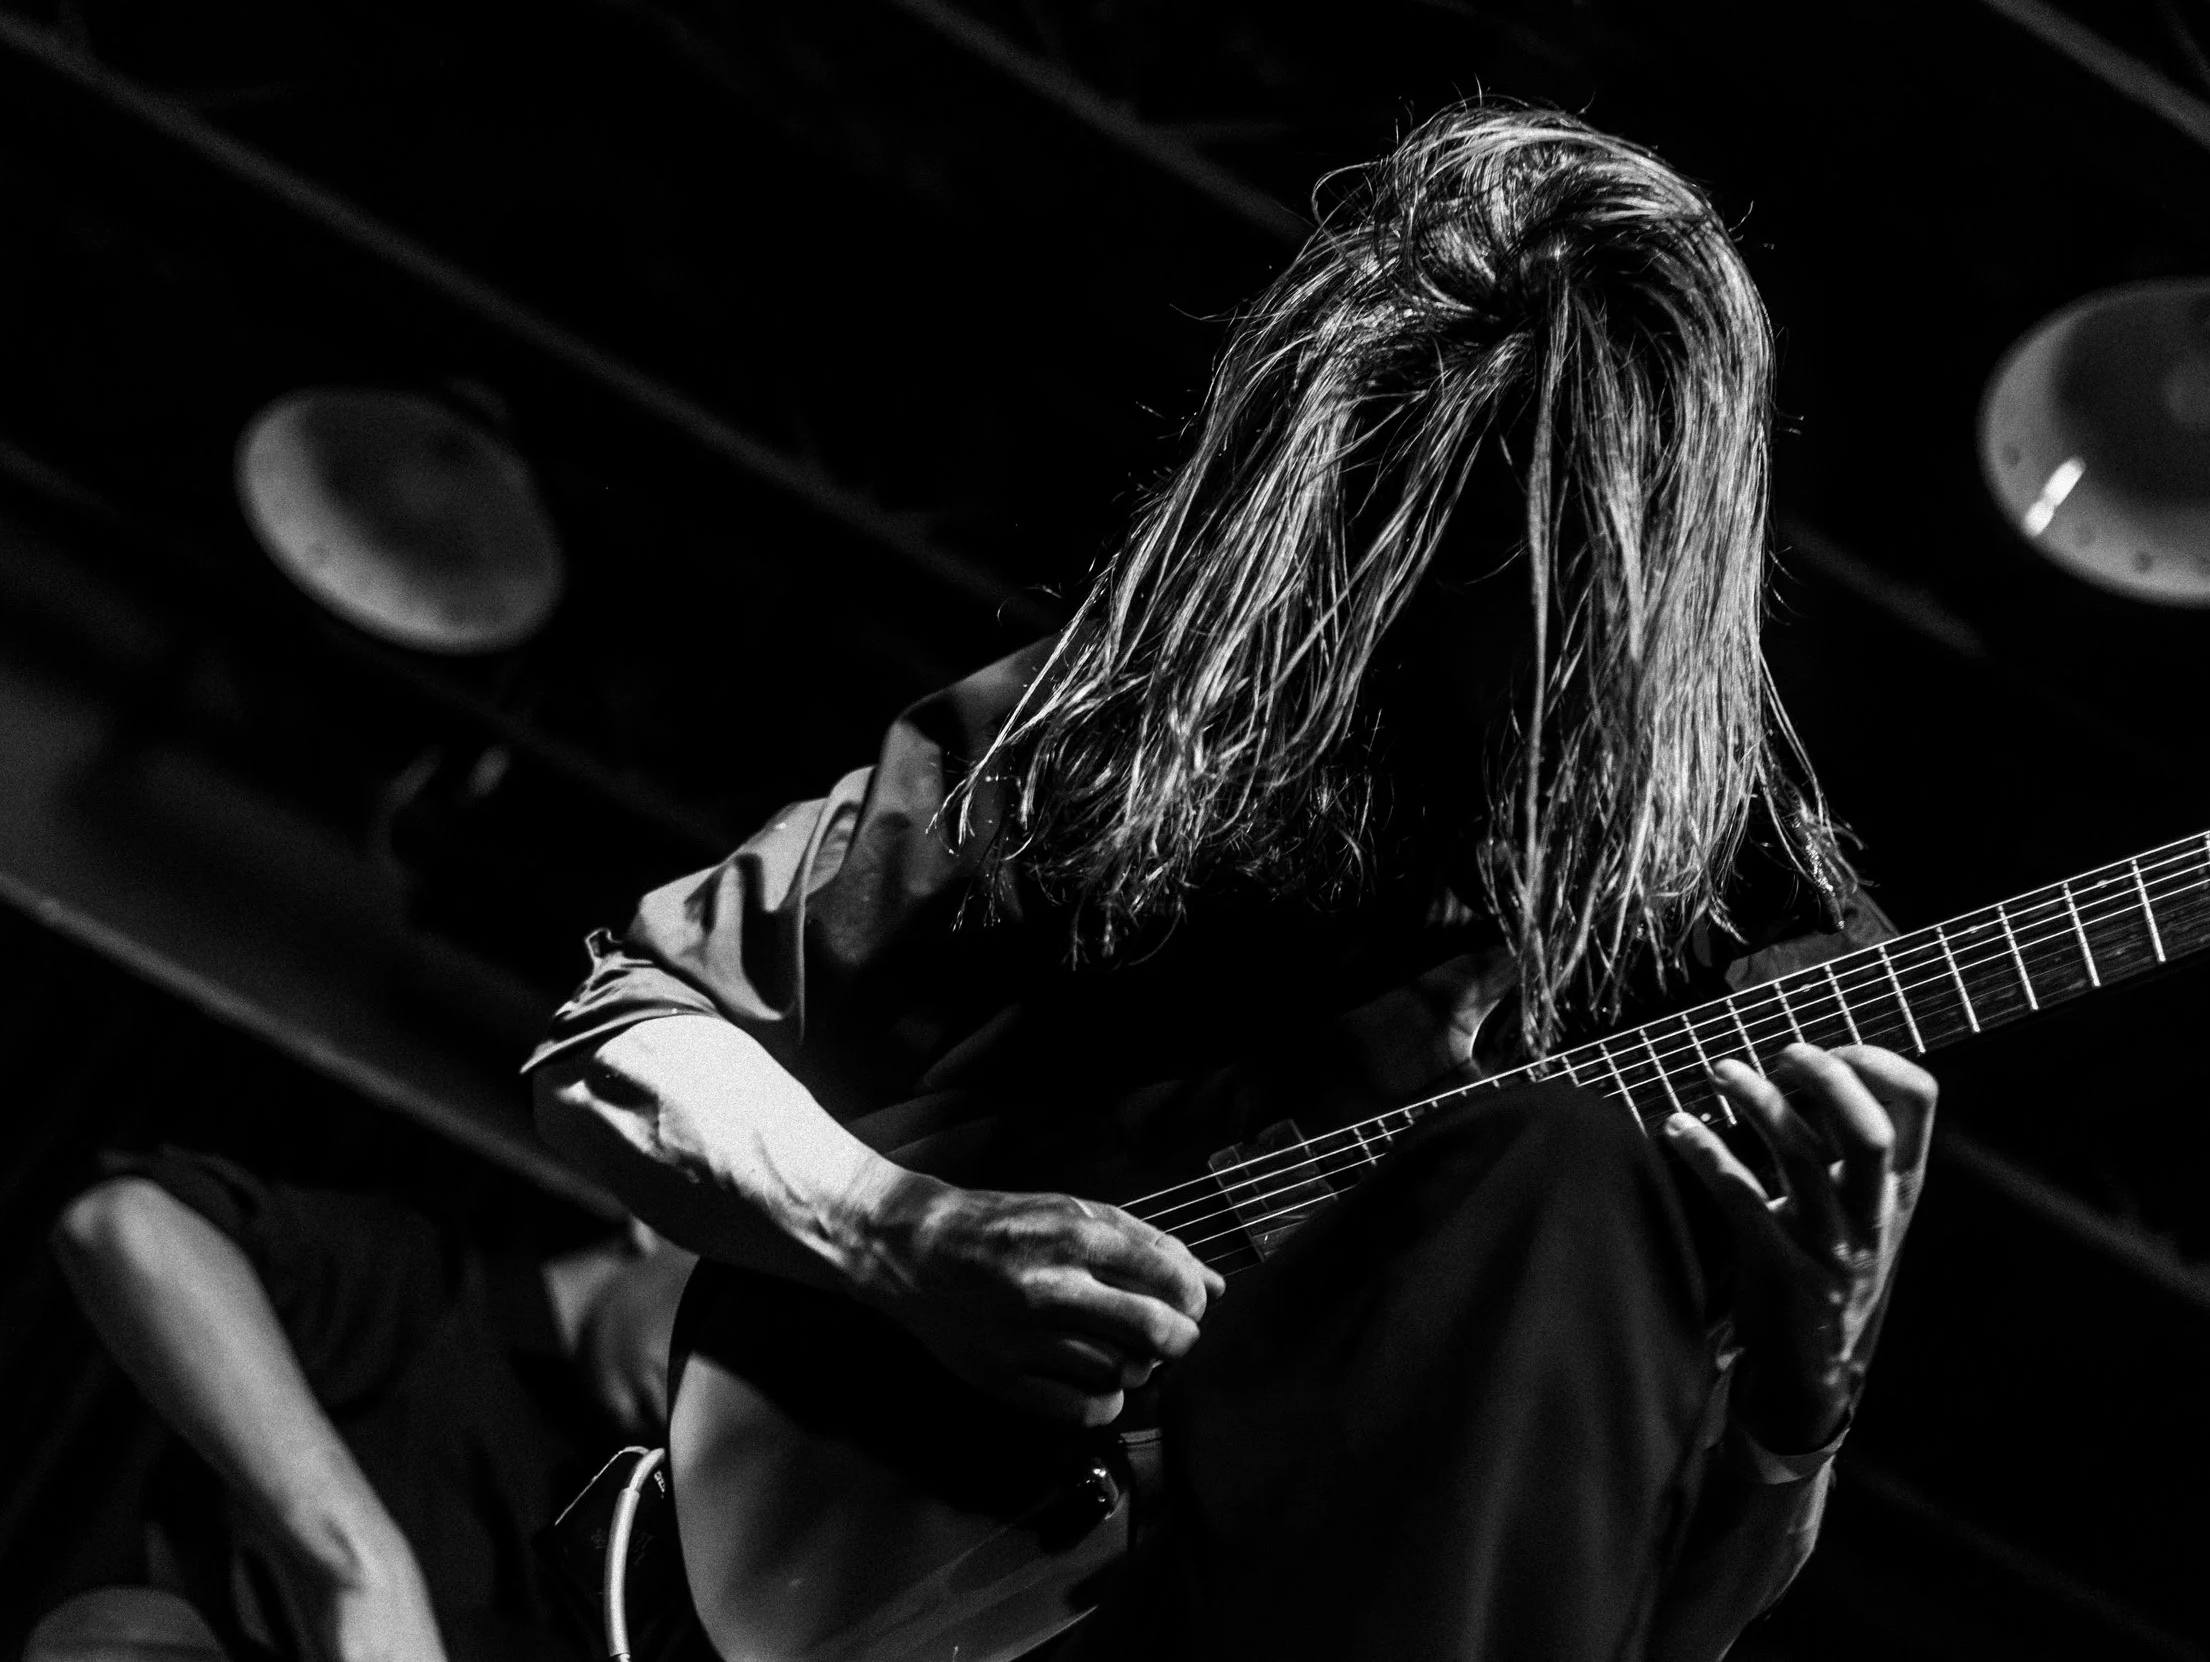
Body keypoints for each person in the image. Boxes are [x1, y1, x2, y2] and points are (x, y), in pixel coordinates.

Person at [528, 100, 1937, 1660]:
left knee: (1558, 1162)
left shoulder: (1753, 953)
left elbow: (1672, 1617)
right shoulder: (1130, 730)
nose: (1451, 608)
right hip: (970, 1584)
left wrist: (1803, 1405)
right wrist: (904, 1235)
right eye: (1414, 518)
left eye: (1526, 551)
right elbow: (621, 1047)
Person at [50, 1151, 695, 1662]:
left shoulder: (650, 1554)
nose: (705, 1405)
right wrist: (364, 1565)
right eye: (746, 1351)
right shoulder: (426, 1290)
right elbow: (127, 1224)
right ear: (667, 1220)